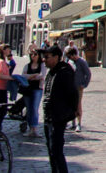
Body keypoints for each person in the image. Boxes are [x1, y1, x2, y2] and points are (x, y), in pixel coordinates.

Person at [43, 45, 78, 173]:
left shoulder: (64, 72)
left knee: (56, 151)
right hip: (48, 117)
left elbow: (73, 94)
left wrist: (67, 114)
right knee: (52, 152)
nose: (44, 60)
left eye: (47, 57)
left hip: (57, 117)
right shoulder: (52, 72)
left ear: (56, 57)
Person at [65, 47, 90, 132]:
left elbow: (88, 74)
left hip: (79, 87)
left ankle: (79, 124)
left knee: (78, 105)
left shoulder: (82, 62)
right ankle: (73, 123)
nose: (69, 58)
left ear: (74, 54)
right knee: (71, 105)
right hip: (70, 87)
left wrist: (84, 84)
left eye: (70, 56)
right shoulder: (70, 62)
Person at [24, 47, 48, 137]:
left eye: (35, 54)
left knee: (34, 108)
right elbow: (24, 76)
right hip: (27, 89)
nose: (33, 56)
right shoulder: (27, 65)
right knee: (29, 109)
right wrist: (34, 75)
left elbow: (42, 76)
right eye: (32, 54)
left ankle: (35, 128)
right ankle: (30, 128)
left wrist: (30, 76)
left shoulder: (42, 66)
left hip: (37, 89)